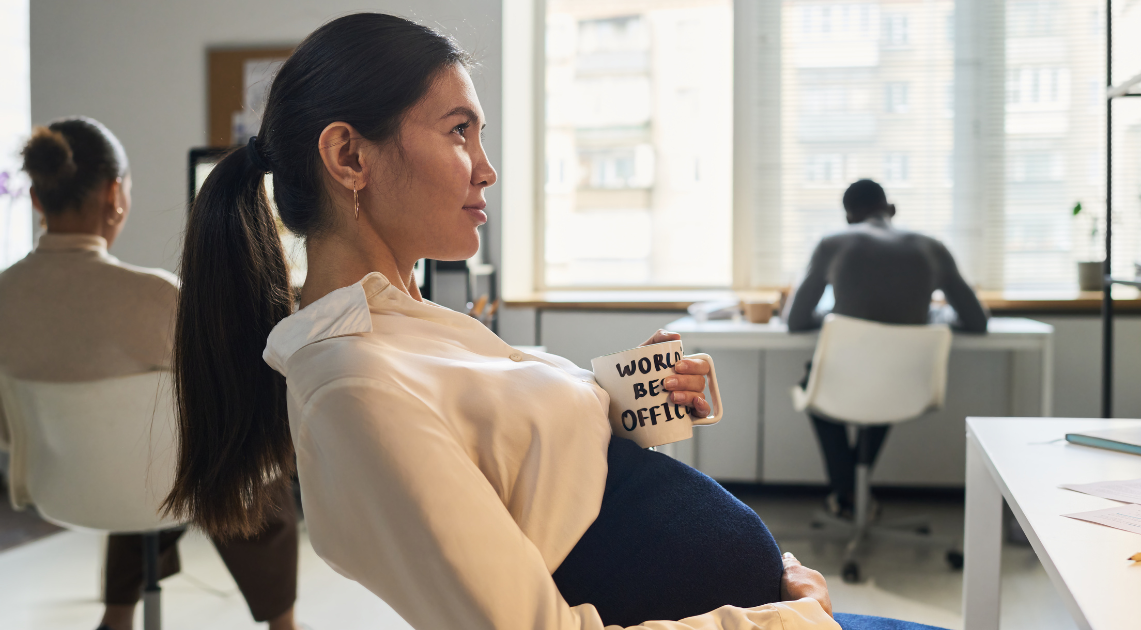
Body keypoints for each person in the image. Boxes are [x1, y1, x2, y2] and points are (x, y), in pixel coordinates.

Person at [162, 13, 944, 630]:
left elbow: (520, 465)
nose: (486, 166)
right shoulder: (353, 385)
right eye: (458, 130)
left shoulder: (410, 324)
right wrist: (787, 619)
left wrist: (640, 394)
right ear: (350, 158)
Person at [0, 118, 300, 630]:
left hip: (58, 486)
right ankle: (284, 625)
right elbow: (232, 394)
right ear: (115, 193)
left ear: (38, 199)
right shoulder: (158, 298)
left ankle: (117, 617)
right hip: (157, 483)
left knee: (142, 450)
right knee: (245, 458)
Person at [783, 179, 988, 516]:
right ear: (891, 209)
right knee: (886, 378)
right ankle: (852, 494)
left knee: (814, 382)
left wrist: (835, 317)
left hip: (842, 382)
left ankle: (846, 492)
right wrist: (932, 316)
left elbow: (795, 320)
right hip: (906, 384)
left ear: (848, 218)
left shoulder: (833, 243)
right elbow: (977, 321)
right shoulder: (933, 247)